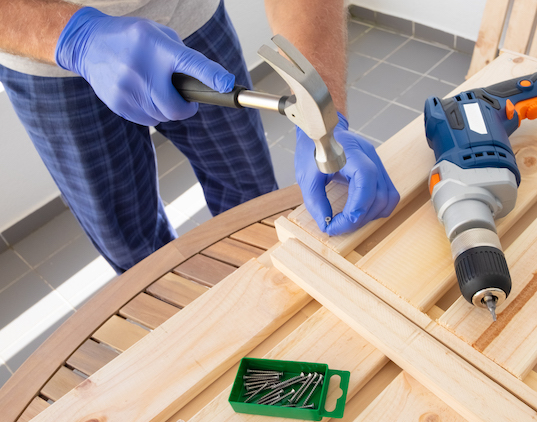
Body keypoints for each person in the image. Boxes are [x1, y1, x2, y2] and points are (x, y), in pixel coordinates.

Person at [0, 0, 399, 274]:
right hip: (45, 54)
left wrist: (328, 118)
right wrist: (74, 37)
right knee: (130, 245)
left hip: (191, 20)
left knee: (250, 202)